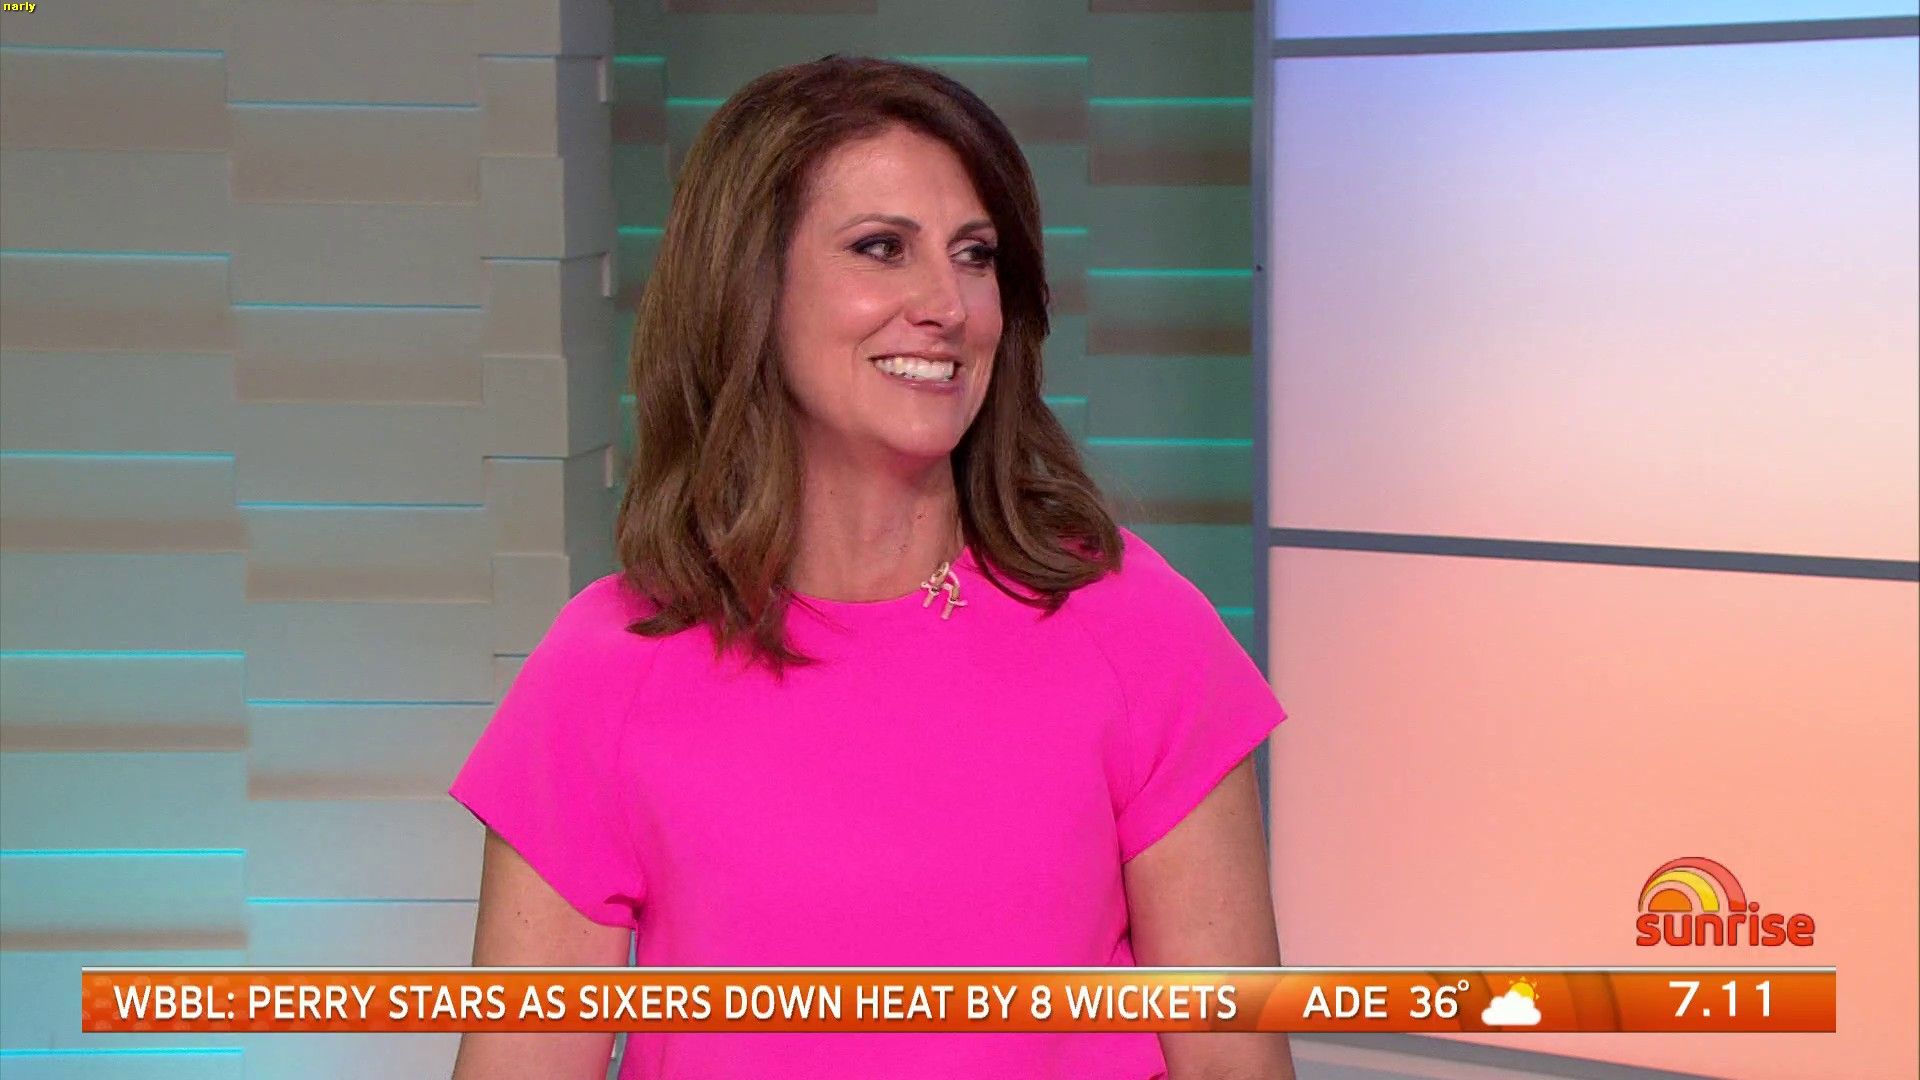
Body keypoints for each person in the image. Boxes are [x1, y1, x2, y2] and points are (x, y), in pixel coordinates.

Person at [448, 55, 1293, 1080]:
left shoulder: (1134, 626)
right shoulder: (610, 664)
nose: (947, 302)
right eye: (882, 248)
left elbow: (1235, 1060)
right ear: (750, 290)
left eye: (974, 255)